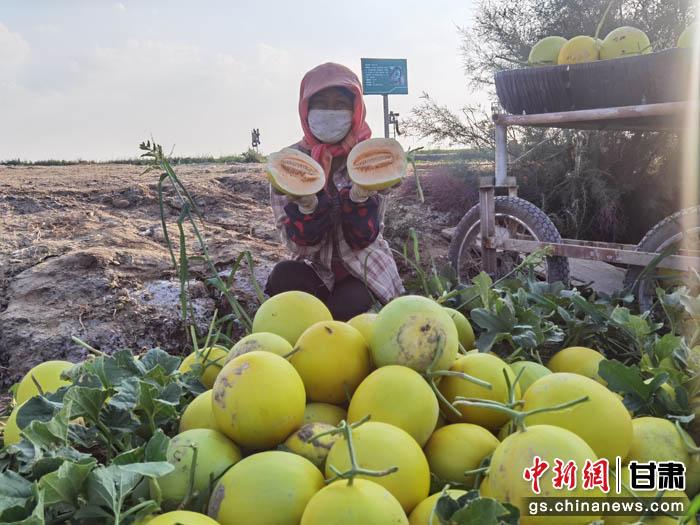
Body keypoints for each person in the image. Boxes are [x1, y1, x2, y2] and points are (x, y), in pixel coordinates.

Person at [265, 62, 404, 321]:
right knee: (283, 277)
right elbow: (296, 245)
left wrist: (360, 197)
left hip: (364, 269)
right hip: (314, 268)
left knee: (346, 312)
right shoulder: (288, 163)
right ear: (305, 109)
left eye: (339, 103)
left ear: (356, 110)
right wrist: (308, 208)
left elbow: (363, 238)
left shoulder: (371, 156)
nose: (330, 112)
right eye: (321, 103)